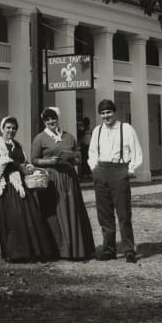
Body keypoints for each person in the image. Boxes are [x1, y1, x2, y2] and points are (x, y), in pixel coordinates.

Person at [0, 116, 58, 263]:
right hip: (6, 187)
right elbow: (0, 162)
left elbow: (24, 161)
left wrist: (28, 167)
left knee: (30, 215)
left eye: (13, 128)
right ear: (2, 128)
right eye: (8, 127)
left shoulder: (17, 145)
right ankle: (15, 253)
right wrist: (19, 167)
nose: (11, 130)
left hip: (21, 184)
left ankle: (32, 251)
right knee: (14, 217)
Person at [30, 107, 96, 261]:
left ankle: (76, 249)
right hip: (52, 178)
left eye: (53, 118)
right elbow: (34, 159)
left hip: (69, 178)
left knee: (72, 211)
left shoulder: (69, 137)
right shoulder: (40, 138)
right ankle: (58, 249)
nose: (50, 122)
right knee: (55, 212)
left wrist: (74, 159)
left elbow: (78, 157)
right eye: (47, 120)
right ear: (44, 122)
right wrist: (48, 161)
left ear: (58, 119)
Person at [87, 99, 143, 263]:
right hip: (101, 171)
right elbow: (92, 153)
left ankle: (128, 250)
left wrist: (130, 170)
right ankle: (109, 250)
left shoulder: (126, 129)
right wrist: (94, 169)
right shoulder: (97, 130)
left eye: (109, 112)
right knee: (104, 214)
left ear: (114, 112)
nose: (106, 116)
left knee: (124, 213)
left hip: (119, 171)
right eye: (103, 113)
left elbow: (137, 151)